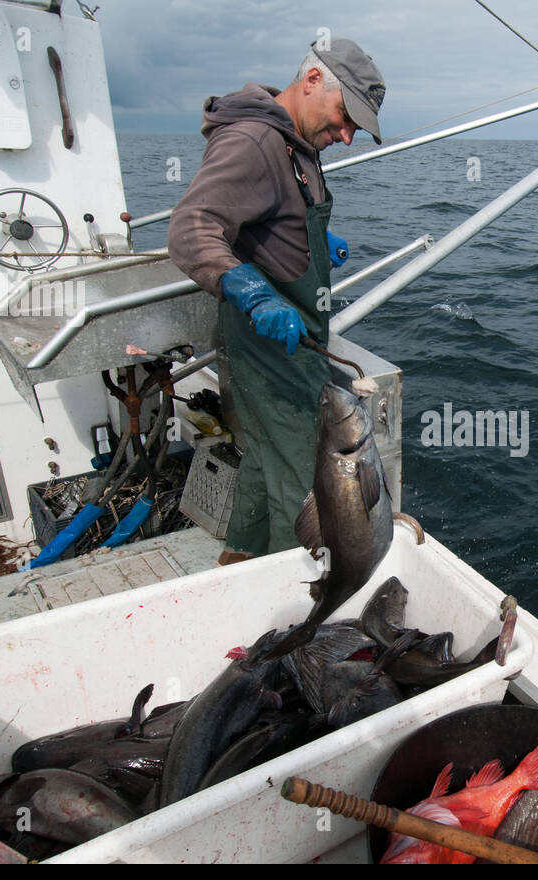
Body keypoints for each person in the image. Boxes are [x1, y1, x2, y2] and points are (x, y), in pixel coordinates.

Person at [168, 38, 385, 564]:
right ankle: (302, 599)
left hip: (298, 338)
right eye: (344, 116)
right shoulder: (253, 141)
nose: (347, 136)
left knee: (264, 457)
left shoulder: (298, 143)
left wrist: (310, 244)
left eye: (356, 125)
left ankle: (240, 559)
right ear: (312, 81)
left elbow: (271, 216)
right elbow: (191, 230)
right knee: (302, 472)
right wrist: (255, 293)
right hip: (266, 346)